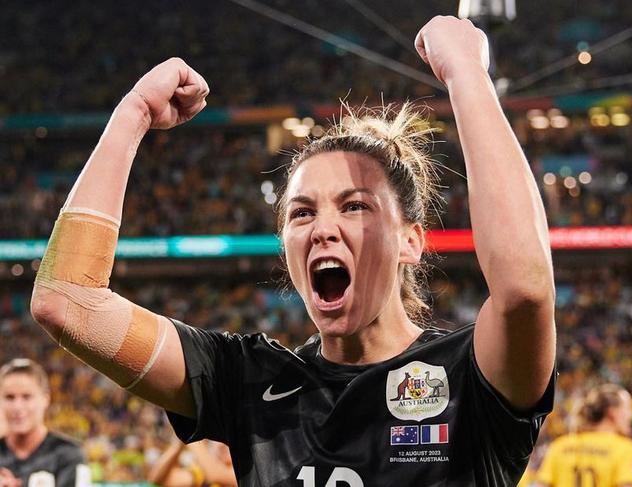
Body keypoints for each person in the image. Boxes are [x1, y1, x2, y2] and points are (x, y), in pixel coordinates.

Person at [30, 15, 556, 486]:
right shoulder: (247, 380)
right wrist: (132, 115)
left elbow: (526, 290)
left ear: (411, 241)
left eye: (354, 206)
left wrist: (467, 74)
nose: (322, 228)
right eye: (302, 212)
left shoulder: (470, 374)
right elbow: (67, 299)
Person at [0, 358, 91, 487]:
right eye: (9, 397)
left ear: (45, 399)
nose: (17, 407)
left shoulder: (68, 455)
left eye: (27, 397)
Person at [536, 384, 632, 487]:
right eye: (628, 408)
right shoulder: (624, 449)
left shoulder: (559, 446)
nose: (631, 415)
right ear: (612, 412)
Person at [147, 438, 237, 487]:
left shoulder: (245, 473)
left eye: (228, 439)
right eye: (218, 440)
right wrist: (178, 446)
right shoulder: (201, 473)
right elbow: (158, 480)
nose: (222, 445)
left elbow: (215, 475)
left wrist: (192, 436)